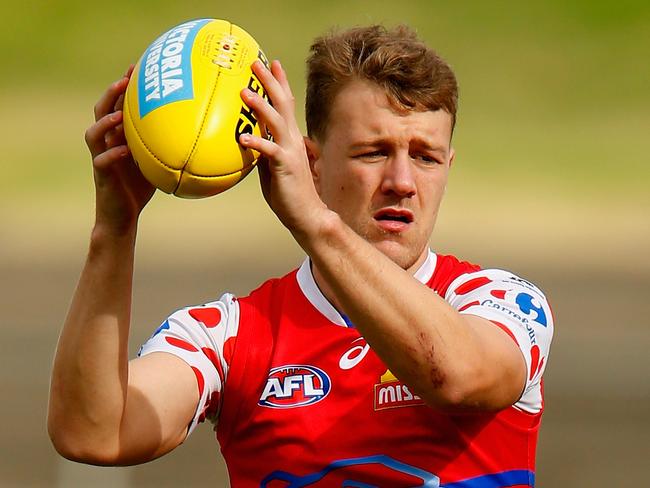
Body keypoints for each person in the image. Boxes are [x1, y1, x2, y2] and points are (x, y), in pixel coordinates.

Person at [48, 24, 553, 486]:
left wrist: (314, 222)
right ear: (310, 162)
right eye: (372, 152)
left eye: (425, 157)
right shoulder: (229, 335)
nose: (402, 183)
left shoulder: (497, 301)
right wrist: (114, 232)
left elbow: (457, 377)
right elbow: (94, 432)